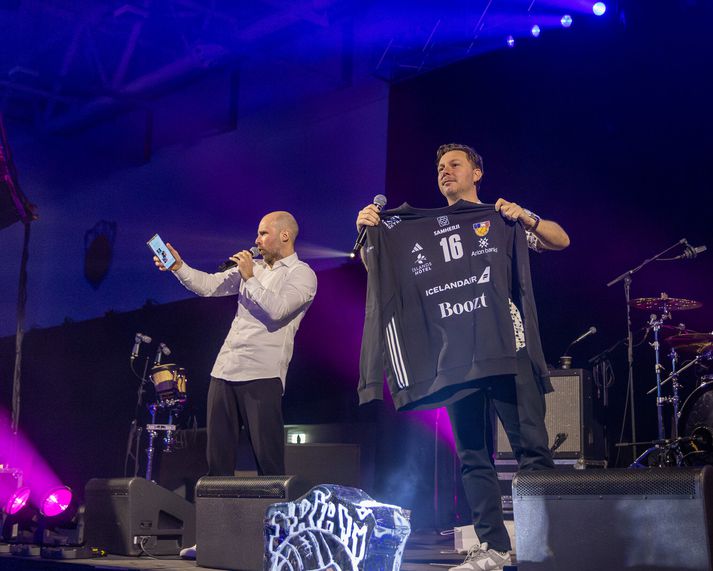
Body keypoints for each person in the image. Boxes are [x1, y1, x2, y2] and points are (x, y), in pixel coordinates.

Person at [356, 144, 569, 571]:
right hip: (454, 358)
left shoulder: (501, 218)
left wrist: (525, 216)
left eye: (454, 164)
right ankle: (493, 548)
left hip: (508, 348)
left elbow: (560, 239)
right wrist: (368, 234)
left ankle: (548, 547)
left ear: (477, 173)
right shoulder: (418, 231)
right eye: (439, 167)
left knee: (532, 448)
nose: (445, 171)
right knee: (473, 455)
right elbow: (379, 268)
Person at [153, 211, 317, 478]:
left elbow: (278, 310)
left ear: (285, 235)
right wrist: (178, 267)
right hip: (225, 370)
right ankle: (219, 506)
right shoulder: (255, 268)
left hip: (263, 374)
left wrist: (250, 277)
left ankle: (272, 506)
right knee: (217, 462)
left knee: (268, 462)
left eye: (263, 233)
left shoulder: (302, 274)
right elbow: (208, 286)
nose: (257, 240)